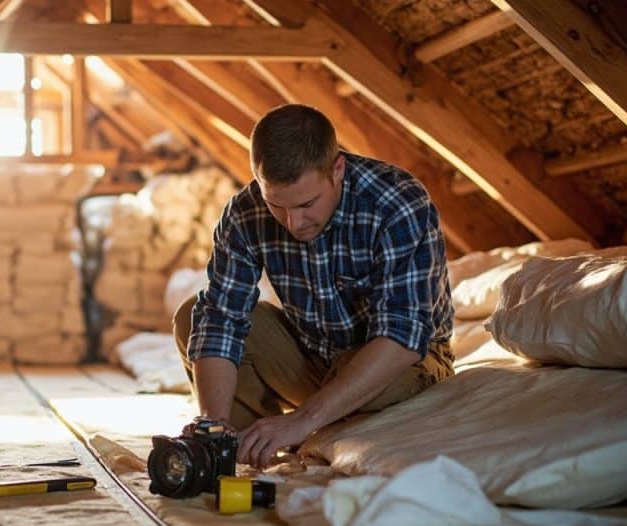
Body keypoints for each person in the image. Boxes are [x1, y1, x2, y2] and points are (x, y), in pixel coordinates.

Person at [173, 104, 455, 469]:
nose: (293, 222)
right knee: (191, 319)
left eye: (307, 204)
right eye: (277, 204)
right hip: (316, 362)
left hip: (401, 365)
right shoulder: (245, 213)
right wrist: (212, 427)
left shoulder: (397, 202)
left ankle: (309, 429)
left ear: (337, 169)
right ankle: (248, 445)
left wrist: (303, 419)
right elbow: (220, 321)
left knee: (386, 371)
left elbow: (401, 339)